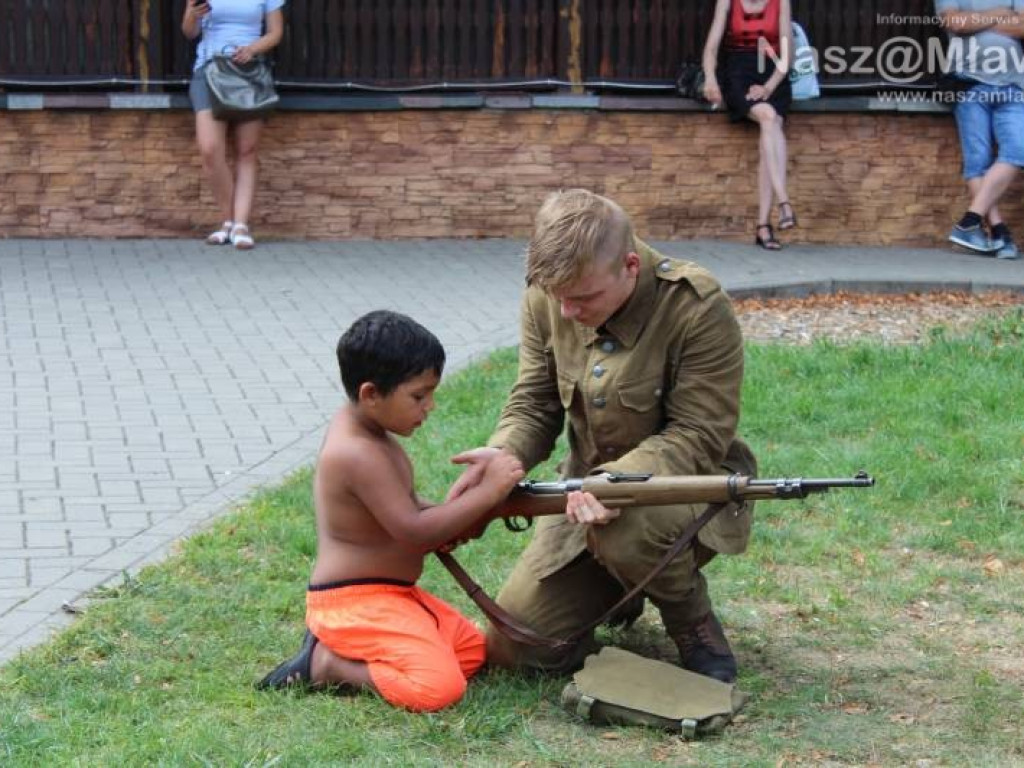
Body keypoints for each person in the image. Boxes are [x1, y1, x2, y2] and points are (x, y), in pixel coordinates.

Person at [446, 189, 757, 684]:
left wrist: (616, 479)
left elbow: (700, 433)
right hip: (580, 498)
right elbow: (535, 400)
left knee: (627, 529)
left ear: (630, 265)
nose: (567, 312)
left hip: (685, 489)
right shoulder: (550, 294)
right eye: (558, 297)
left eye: (583, 298)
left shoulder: (696, 307)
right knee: (518, 648)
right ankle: (620, 589)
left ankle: (691, 619)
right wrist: (504, 455)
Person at [256, 310, 525, 712]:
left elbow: (407, 508)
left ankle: (371, 652)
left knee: (470, 652)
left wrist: (461, 517)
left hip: (394, 596)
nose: (430, 406)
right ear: (370, 394)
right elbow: (414, 530)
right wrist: (488, 492)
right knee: (440, 688)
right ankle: (326, 663)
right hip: (354, 602)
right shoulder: (356, 452)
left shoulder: (373, 433)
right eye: (419, 395)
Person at [181, 0, 285, 250]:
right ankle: (228, 220)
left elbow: (276, 32)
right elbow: (189, 32)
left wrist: (252, 49)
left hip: (249, 72)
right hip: (209, 70)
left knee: (247, 151)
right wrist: (193, 14)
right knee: (210, 150)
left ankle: (239, 224)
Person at [702, 0, 795, 251]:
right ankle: (783, 201)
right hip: (738, 73)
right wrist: (710, 78)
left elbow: (788, 54)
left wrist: (768, 87)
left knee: (773, 121)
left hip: (773, 75)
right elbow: (711, 49)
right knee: (768, 117)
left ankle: (764, 226)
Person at [937, 1, 1024, 259]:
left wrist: (974, 21)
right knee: (978, 159)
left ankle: (970, 220)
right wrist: (1000, 16)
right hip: (969, 85)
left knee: (1018, 149)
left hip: (1013, 85)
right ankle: (998, 231)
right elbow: (954, 23)